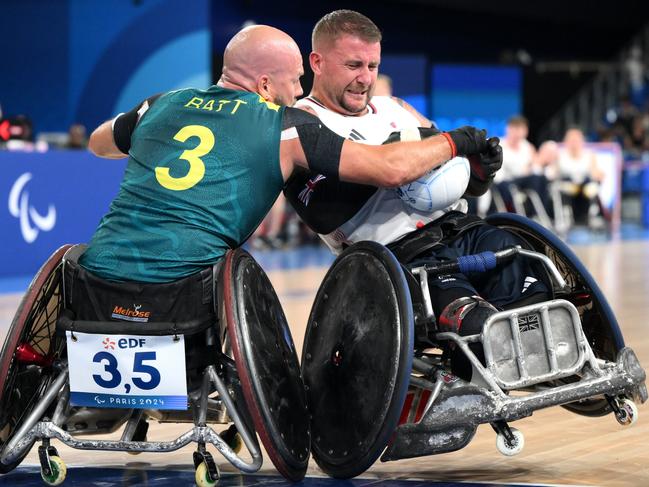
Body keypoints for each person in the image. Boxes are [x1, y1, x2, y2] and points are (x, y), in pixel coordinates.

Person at [81, 24, 489, 284]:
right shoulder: (285, 124)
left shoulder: (162, 103)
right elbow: (388, 168)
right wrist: (459, 141)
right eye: (294, 81)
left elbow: (99, 143)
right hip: (188, 281)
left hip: (99, 272)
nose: (298, 91)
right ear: (262, 85)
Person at [282, 10, 549, 381]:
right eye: (353, 65)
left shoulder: (396, 108)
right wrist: (441, 146)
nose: (365, 78)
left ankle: (560, 364)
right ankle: (472, 378)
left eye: (373, 65)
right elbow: (365, 187)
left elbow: (445, 172)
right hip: (397, 256)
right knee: (474, 320)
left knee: (535, 285)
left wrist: (476, 174)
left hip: (460, 229)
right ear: (317, 62)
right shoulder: (300, 125)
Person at [494, 115, 552, 218]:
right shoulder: (499, 145)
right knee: (509, 186)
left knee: (541, 178)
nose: (518, 133)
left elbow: (535, 167)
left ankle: (539, 215)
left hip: (522, 180)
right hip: (504, 182)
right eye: (515, 129)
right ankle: (522, 216)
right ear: (508, 129)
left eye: (521, 129)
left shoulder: (528, 147)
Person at [557, 127, 604, 226]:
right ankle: (567, 216)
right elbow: (554, 173)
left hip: (584, 186)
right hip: (567, 186)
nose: (574, 143)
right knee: (565, 186)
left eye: (576, 140)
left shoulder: (589, 155)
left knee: (591, 187)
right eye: (571, 140)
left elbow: (595, 172)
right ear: (566, 141)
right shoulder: (560, 155)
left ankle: (591, 215)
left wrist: (599, 175)